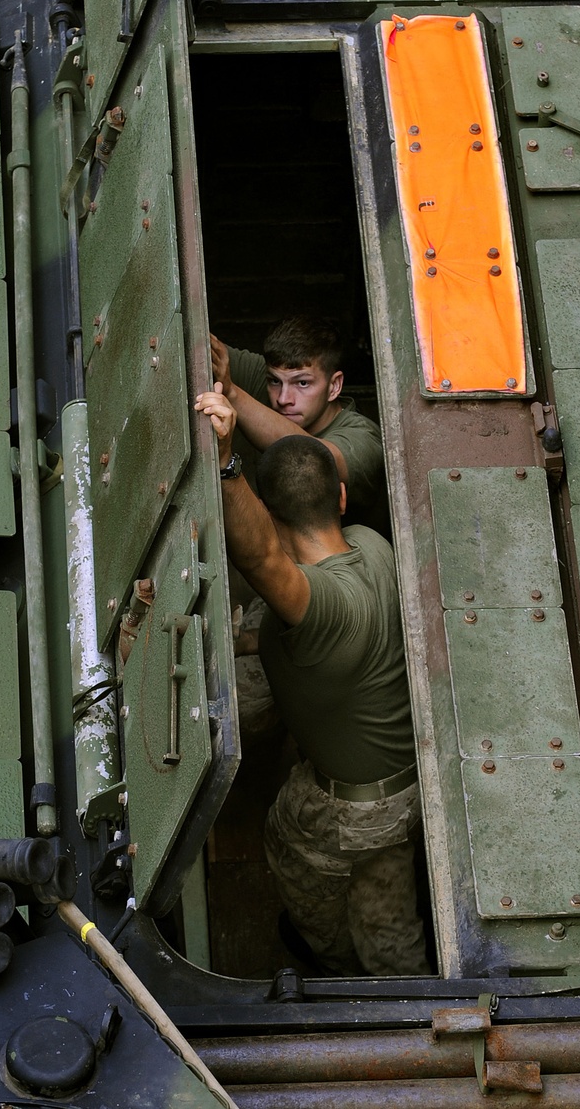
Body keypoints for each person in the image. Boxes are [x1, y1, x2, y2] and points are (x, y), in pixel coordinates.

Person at [194, 384, 429, 977]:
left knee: (375, 928)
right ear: (342, 496)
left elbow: (264, 562)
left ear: (272, 517)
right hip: (404, 769)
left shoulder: (317, 604)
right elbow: (283, 612)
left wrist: (227, 462)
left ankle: (335, 960)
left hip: (360, 809)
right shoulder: (374, 545)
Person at [211, 315, 388, 536]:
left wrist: (232, 393)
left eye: (302, 383)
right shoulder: (267, 380)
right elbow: (199, 343)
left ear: (334, 386)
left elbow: (312, 456)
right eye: (274, 381)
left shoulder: (363, 438)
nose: (284, 398)